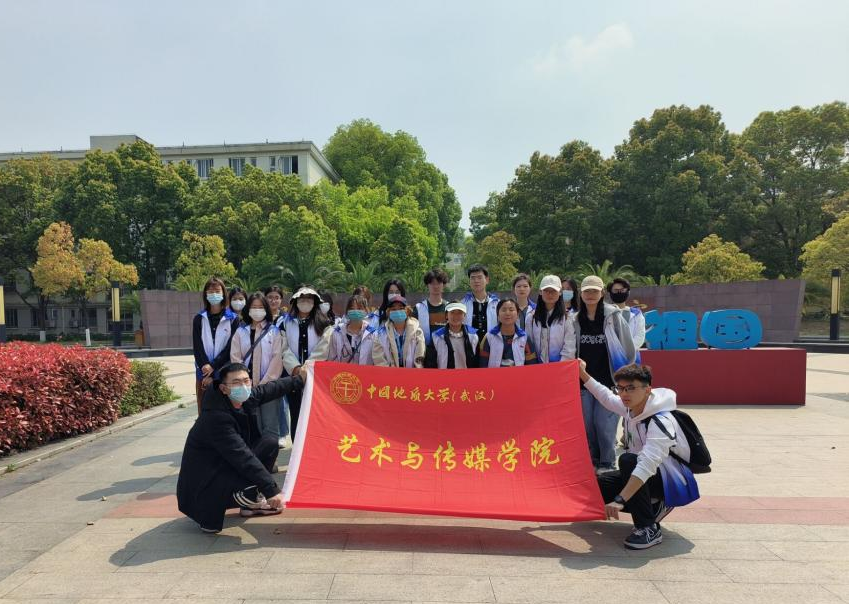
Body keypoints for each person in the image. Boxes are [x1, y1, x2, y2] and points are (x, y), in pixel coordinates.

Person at [578, 360, 699, 550]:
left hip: (669, 482)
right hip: (643, 473)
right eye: (620, 388)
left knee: (628, 460)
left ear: (647, 390)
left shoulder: (661, 421)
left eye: (631, 388)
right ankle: (652, 506)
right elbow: (605, 397)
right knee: (596, 487)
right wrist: (582, 373)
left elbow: (646, 465)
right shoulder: (631, 408)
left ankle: (648, 528)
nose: (624, 394)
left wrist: (620, 500)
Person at [176, 362, 304, 533]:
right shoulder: (215, 417)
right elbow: (242, 457)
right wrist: (271, 490)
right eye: (236, 383)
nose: (243, 386)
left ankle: (249, 504)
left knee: (270, 443)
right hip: (204, 486)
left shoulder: (242, 399)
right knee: (247, 472)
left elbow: (270, 389)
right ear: (223, 388)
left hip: (223, 466)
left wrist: (301, 379)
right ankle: (225, 505)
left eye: (246, 381)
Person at [576, 275, 637, 473]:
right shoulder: (575, 319)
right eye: (587, 291)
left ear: (602, 293)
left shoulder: (613, 316)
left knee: (604, 425)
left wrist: (624, 378)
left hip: (608, 382)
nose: (590, 295)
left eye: (594, 291)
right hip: (583, 382)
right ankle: (593, 462)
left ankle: (607, 464)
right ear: (581, 294)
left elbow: (628, 349)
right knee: (587, 426)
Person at [229, 292, 284, 448]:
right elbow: (235, 357)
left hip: (268, 387)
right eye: (254, 307)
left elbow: (277, 359)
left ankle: (270, 457)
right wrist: (245, 382)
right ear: (248, 309)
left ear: (266, 309)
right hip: (246, 388)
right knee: (253, 425)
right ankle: (256, 457)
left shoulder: (274, 331)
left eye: (261, 307)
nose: (257, 310)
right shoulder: (240, 332)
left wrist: (264, 384)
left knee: (270, 426)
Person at [281, 286, 333, 437]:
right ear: (295, 301)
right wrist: (296, 368)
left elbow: (324, 348)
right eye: (302, 299)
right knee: (296, 413)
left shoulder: (325, 323)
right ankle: (296, 448)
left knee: (315, 415)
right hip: (293, 376)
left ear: (315, 302)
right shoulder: (285, 323)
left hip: (316, 377)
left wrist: (307, 368)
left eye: (309, 299)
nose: (305, 302)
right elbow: (283, 348)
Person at [192, 277, 238, 414]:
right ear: (205, 294)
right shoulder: (199, 318)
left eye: (217, 291)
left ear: (223, 293)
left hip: (224, 370)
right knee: (205, 409)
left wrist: (213, 366)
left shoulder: (233, 319)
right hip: (203, 371)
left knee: (225, 408)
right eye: (210, 291)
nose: (214, 294)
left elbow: (231, 347)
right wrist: (205, 367)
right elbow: (197, 346)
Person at [528, 275, 576, 363]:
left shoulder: (567, 317)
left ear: (560, 292)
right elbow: (529, 345)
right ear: (540, 292)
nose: (550, 294)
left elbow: (569, 348)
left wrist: (559, 368)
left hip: (560, 367)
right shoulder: (531, 317)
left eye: (554, 290)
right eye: (546, 290)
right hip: (536, 367)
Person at [478, 298, 537, 367]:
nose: (507, 313)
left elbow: (532, 364)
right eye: (503, 310)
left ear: (517, 314)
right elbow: (483, 363)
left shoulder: (524, 338)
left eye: (511, 310)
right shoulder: (489, 337)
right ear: (498, 315)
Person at [372, 293, 426, 368]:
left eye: (401, 308)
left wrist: (414, 373)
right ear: (388, 312)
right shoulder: (380, 334)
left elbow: (419, 358)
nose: (397, 311)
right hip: (388, 374)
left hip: (412, 374)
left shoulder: (417, 332)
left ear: (407, 311)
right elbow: (379, 361)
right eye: (393, 309)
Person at [424, 301, 479, 369]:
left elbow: (477, 362)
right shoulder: (436, 336)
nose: (456, 316)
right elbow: (430, 363)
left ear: (464, 315)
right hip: (444, 375)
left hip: (467, 375)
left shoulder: (473, 336)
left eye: (459, 313)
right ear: (446, 315)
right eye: (452, 312)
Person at [327, 294, 374, 364]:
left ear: (366, 311)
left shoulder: (372, 334)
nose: (355, 311)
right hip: (342, 371)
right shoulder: (337, 332)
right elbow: (332, 358)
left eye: (359, 308)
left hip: (364, 371)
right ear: (347, 311)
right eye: (352, 308)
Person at [461, 264, 499, 340]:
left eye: (479, 277)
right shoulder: (462, 304)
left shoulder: (497, 303)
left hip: (492, 344)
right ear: (469, 281)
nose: (476, 281)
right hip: (469, 345)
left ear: (487, 280)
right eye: (473, 278)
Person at [608, 278, 646, 350]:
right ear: (610, 292)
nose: (619, 292)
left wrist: (627, 350)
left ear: (628, 292)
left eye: (622, 290)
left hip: (631, 354)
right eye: (616, 290)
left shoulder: (636, 314)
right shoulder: (604, 313)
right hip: (609, 353)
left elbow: (640, 336)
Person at [414, 268, 449, 345]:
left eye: (439, 283)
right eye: (432, 283)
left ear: (444, 285)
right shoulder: (419, 308)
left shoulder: (450, 307)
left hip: (446, 348)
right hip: (424, 349)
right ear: (427, 285)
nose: (435, 286)